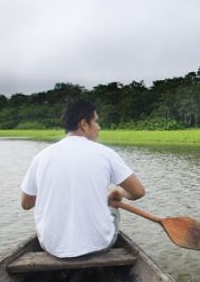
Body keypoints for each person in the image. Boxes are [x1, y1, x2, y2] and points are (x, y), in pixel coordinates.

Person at [20, 99, 145, 258]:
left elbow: (26, 203)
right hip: (98, 246)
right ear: (84, 124)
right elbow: (138, 192)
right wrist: (119, 192)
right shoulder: (105, 153)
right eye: (96, 121)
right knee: (111, 209)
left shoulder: (41, 157)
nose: (99, 127)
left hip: (50, 246)